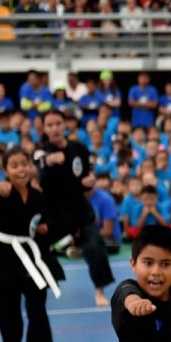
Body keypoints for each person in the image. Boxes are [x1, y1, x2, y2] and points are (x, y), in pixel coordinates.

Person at [0, 147, 63, 342]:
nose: (21, 169)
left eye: (24, 163)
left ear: (30, 167)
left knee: (37, 312)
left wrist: (45, 228)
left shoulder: (39, 197)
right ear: (6, 171)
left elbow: (49, 224)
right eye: (14, 165)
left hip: (33, 259)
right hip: (5, 258)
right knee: (7, 311)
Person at [32, 110, 115, 306]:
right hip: (53, 212)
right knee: (34, 246)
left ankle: (99, 291)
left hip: (79, 208)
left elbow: (87, 178)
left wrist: (90, 181)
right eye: (49, 125)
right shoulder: (41, 149)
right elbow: (37, 158)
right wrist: (48, 159)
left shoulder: (79, 148)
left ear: (65, 125)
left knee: (95, 245)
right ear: (44, 128)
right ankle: (34, 282)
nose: (54, 128)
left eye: (58, 123)